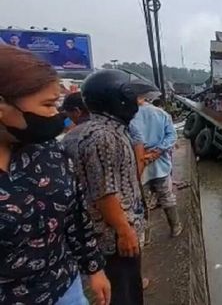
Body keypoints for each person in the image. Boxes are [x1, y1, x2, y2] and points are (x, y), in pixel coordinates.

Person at [0, 46, 110, 305]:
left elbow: (76, 215)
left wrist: (93, 267)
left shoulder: (47, 151)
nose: (56, 115)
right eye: (48, 105)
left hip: (66, 288)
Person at [62, 69, 146, 305]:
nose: (136, 103)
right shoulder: (105, 136)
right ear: (117, 99)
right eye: (131, 97)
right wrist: (124, 230)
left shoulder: (81, 133)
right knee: (124, 294)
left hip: (102, 235)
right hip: (114, 237)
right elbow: (104, 192)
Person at [129, 92, 183, 237]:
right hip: (161, 164)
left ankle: (145, 236)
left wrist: (145, 155)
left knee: (141, 202)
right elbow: (172, 136)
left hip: (139, 165)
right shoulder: (161, 113)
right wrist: (157, 151)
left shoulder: (129, 116)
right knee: (166, 196)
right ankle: (175, 227)